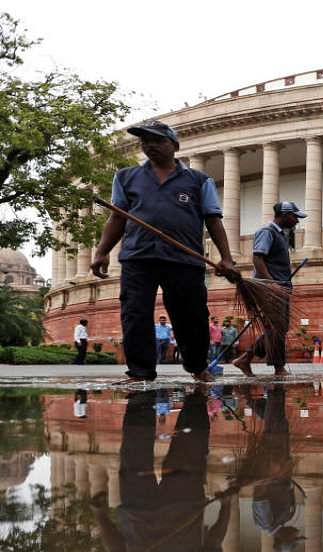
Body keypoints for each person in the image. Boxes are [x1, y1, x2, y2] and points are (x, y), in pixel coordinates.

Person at [90, 120, 240, 383]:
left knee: (191, 316)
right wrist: (102, 252)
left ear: (175, 145)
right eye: (145, 141)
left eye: (157, 140)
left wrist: (226, 257)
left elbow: (213, 220)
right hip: (138, 257)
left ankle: (197, 367)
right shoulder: (126, 177)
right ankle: (140, 372)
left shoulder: (198, 180)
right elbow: (117, 218)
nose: (150, 146)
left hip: (185, 259)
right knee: (134, 313)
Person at [90, 389, 228, 552]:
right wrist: (227, 506)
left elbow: (116, 550)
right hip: (183, 505)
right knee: (190, 448)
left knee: (134, 449)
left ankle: (141, 400)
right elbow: (213, 543)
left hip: (136, 508)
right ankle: (197, 398)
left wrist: (100, 515)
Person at [231, 202, 303, 377]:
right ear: (284, 215)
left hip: (279, 287)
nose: (296, 221)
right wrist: (271, 284)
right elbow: (258, 258)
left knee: (279, 328)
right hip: (270, 288)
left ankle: (245, 359)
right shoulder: (267, 232)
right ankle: (278, 367)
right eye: (294, 217)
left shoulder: (281, 235)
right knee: (275, 327)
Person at [242, 388, 303, 552]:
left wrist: (271, 470)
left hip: (272, 463)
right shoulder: (283, 520)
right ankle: (270, 394)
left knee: (275, 428)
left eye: (293, 537)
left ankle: (274, 389)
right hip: (281, 465)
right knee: (279, 426)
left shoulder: (266, 524)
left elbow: (259, 493)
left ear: (283, 538)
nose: (296, 533)